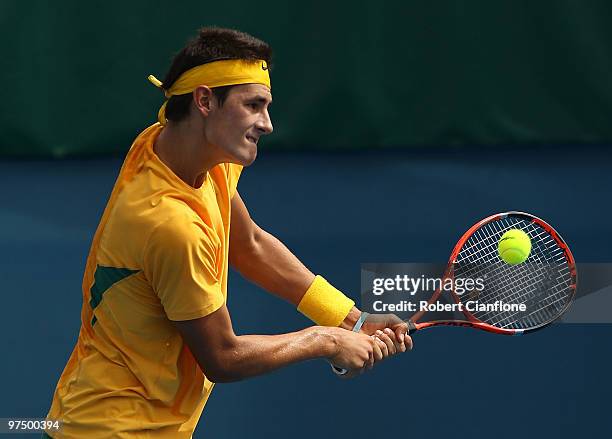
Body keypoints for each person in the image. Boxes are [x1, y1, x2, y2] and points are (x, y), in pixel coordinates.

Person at [43, 27, 412, 438]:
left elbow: (249, 244)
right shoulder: (171, 225)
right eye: (253, 106)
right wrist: (322, 341)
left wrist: (349, 319)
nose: (267, 124)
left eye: (267, 106)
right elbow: (223, 356)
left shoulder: (182, 148)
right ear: (204, 101)